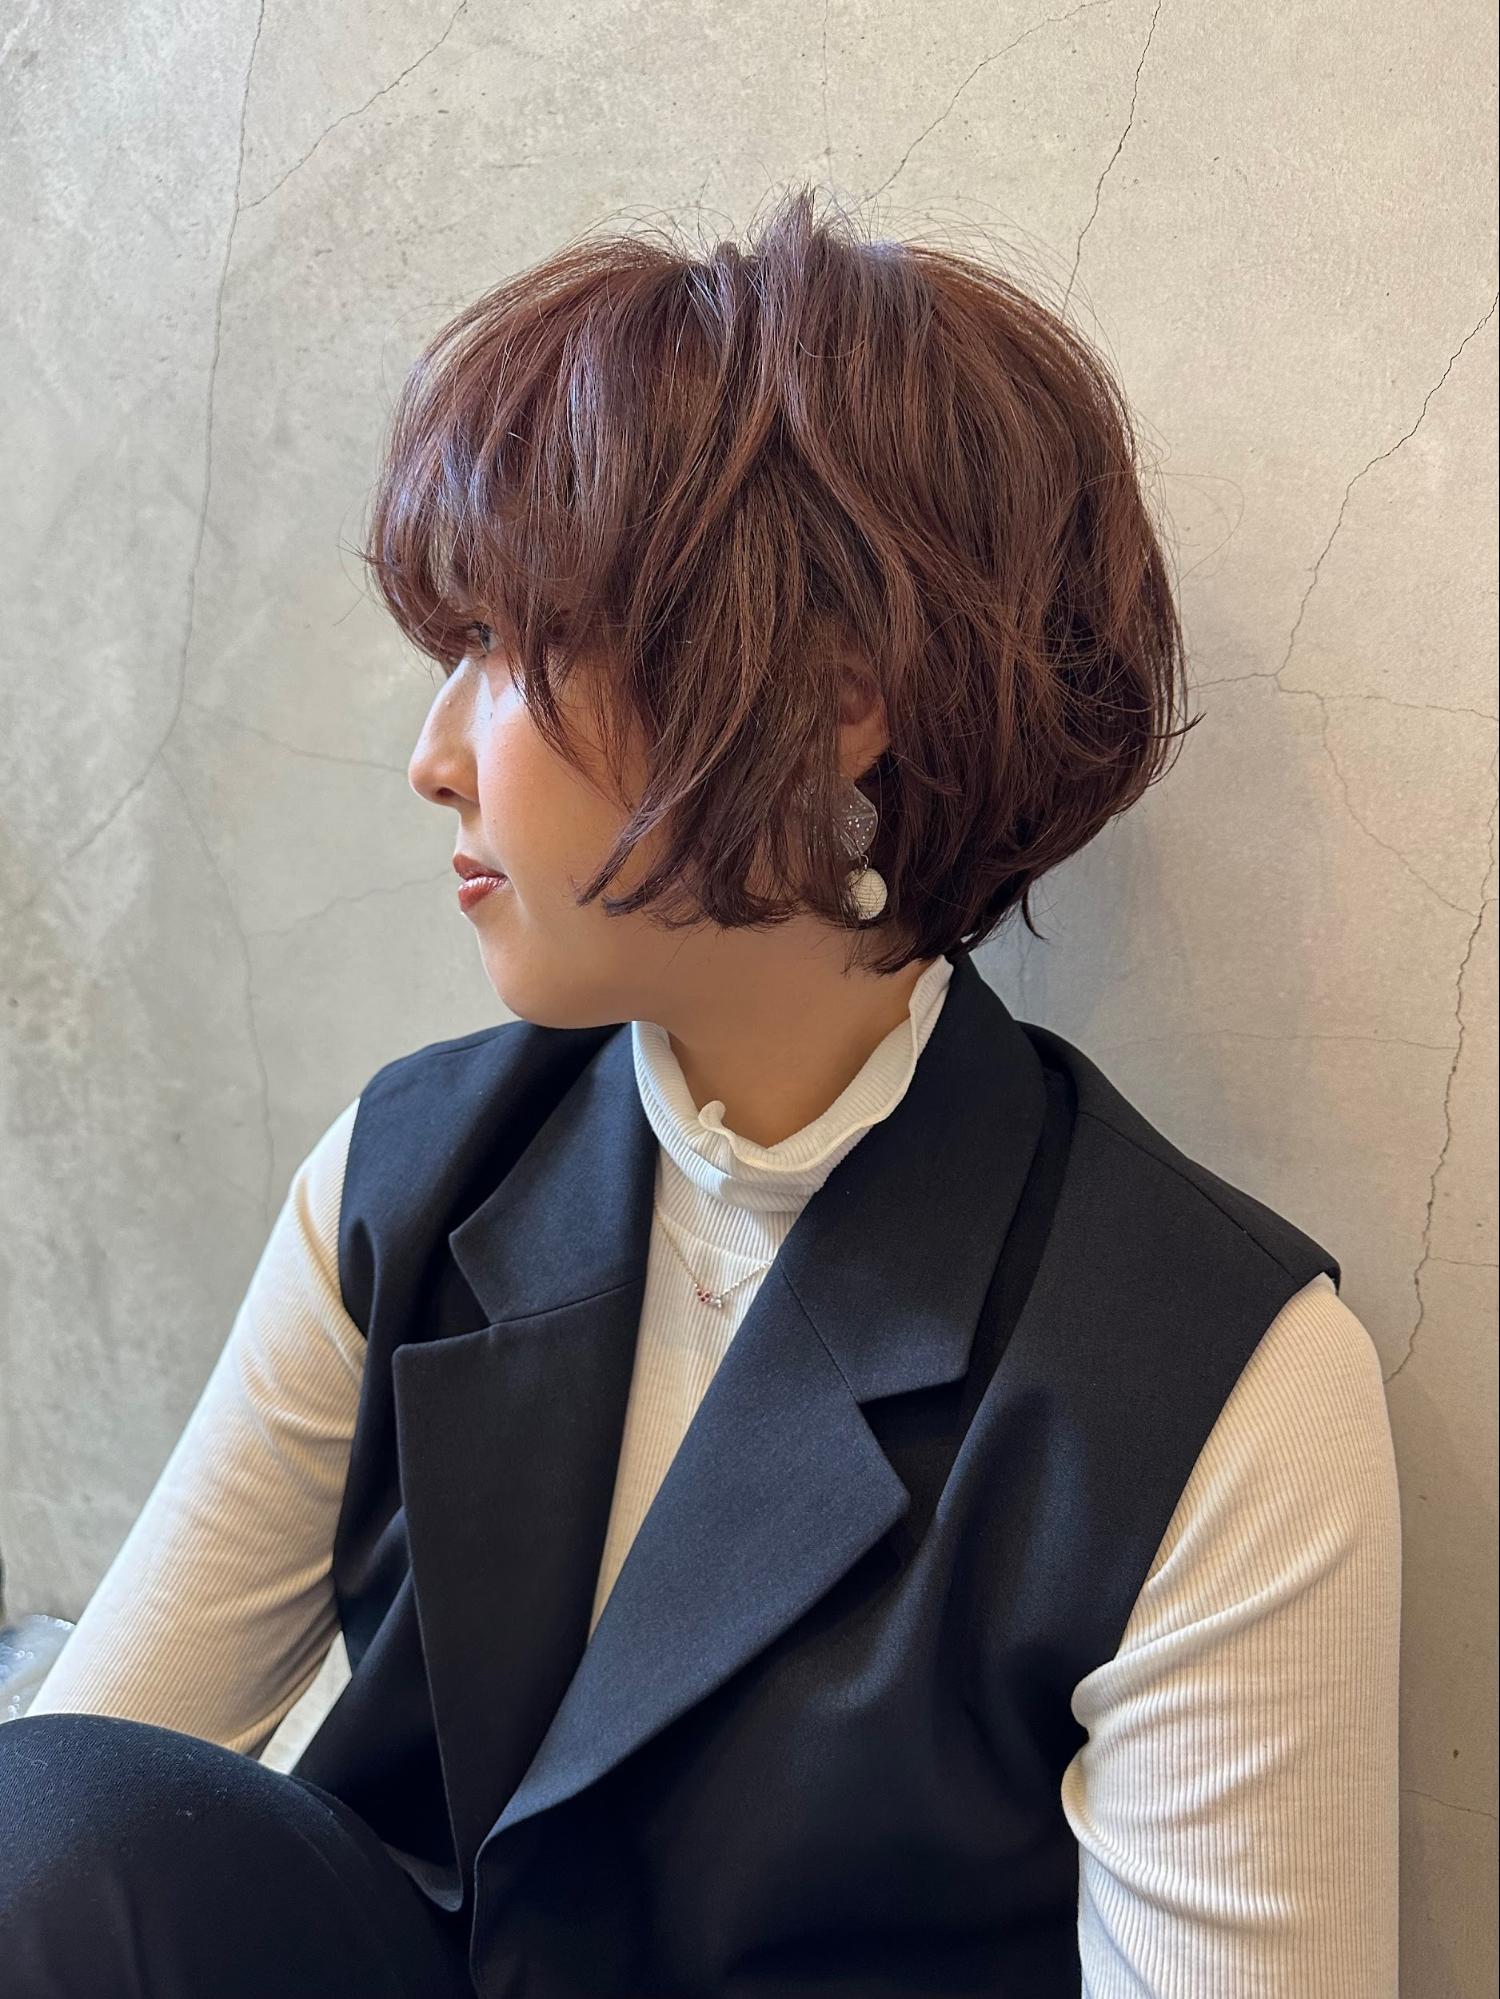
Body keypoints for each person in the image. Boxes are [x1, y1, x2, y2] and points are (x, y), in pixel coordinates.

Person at [1, 185, 1400, 1997]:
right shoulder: (414, 1176)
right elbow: (78, 1807)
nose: (432, 758)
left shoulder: (1212, 1385)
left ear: (835, 697)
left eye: (511, 650)